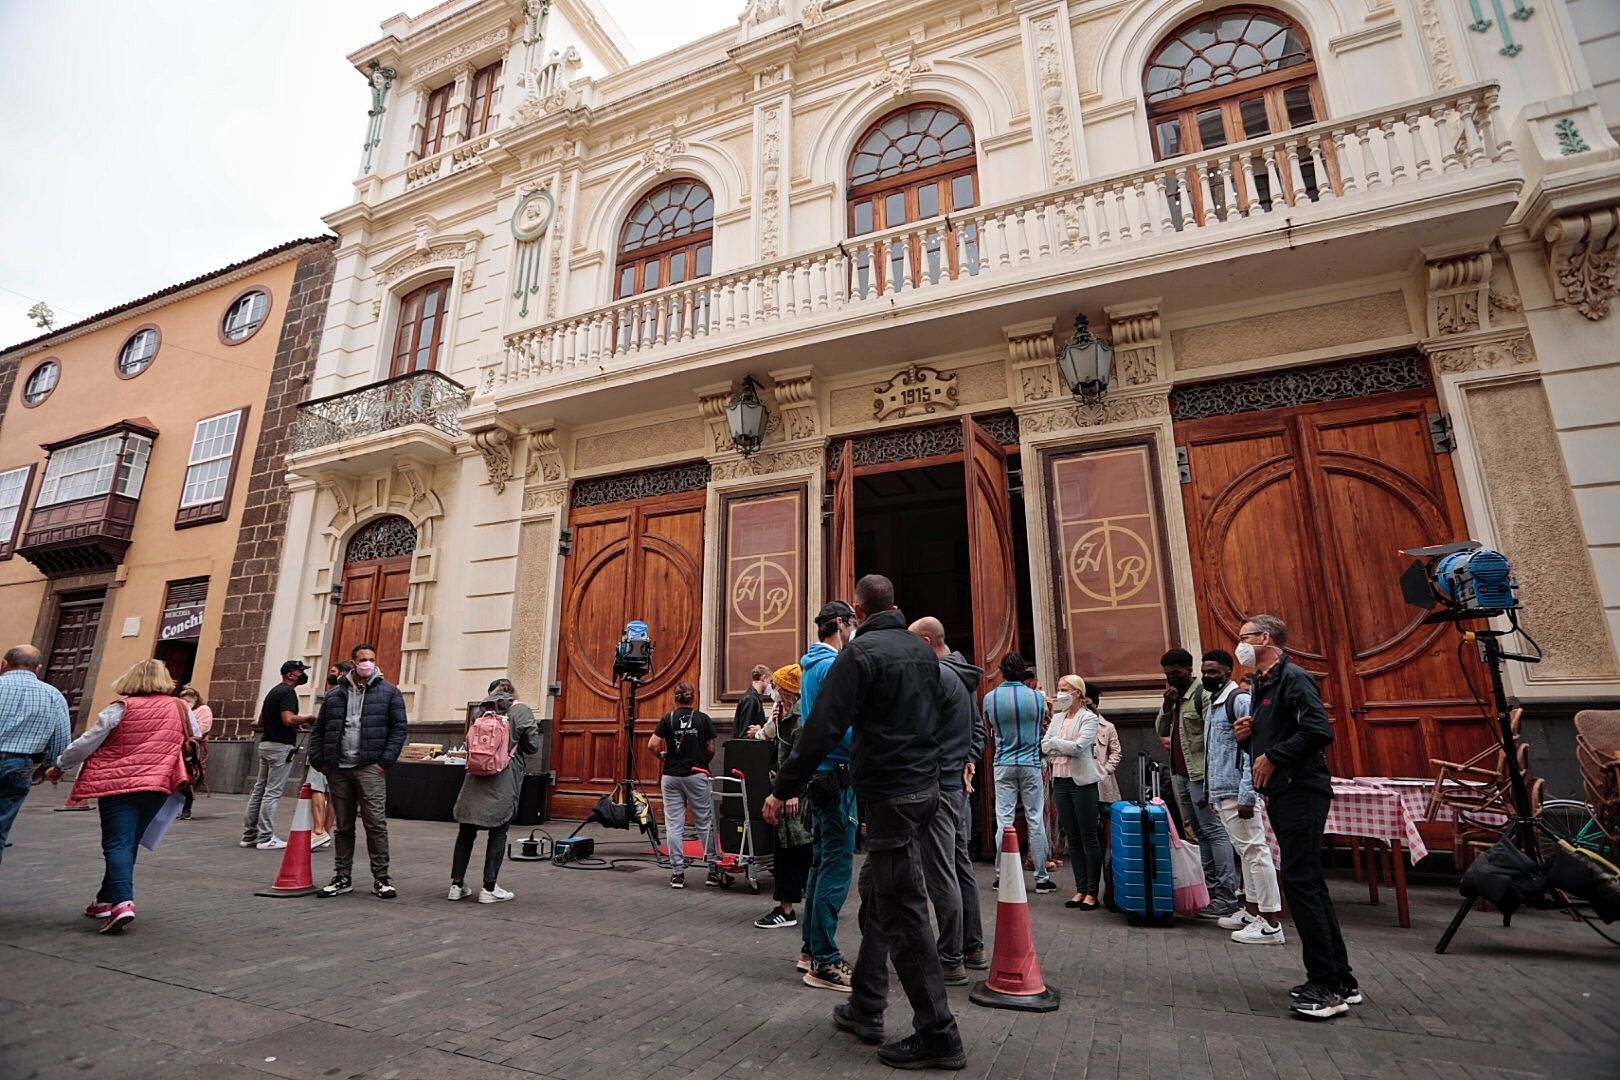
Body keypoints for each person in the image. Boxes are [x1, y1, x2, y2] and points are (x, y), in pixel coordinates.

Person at [765, 574, 965, 1072]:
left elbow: (823, 728)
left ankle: (939, 1034)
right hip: (926, 790)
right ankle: (866, 1004)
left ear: (858, 609)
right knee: (877, 894)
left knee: (904, 912)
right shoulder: (923, 653)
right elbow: (946, 715)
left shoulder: (860, 654)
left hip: (890, 795)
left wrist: (784, 786)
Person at [1233, 615, 1356, 1019]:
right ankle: (1340, 978)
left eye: (1245, 638)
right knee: (1309, 884)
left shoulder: (1294, 677)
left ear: (1266, 638)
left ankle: (1325, 986)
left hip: (1301, 789)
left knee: (1302, 883)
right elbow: (1286, 727)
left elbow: (1318, 730)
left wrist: (1274, 755)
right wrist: (1251, 734)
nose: (1241, 645)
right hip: (1283, 791)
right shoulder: (1262, 684)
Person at [51, 660, 198, 933]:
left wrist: (60, 765)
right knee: (127, 843)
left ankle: (122, 903)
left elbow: (87, 742)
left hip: (117, 784)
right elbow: (195, 736)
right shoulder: (181, 707)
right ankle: (104, 899)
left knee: (117, 843)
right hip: (159, 784)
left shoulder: (120, 708)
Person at [909, 616, 986, 983]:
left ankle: (951, 958)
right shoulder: (964, 677)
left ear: (925, 642)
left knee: (942, 874)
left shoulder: (938, 678)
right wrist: (968, 759)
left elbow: (921, 732)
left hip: (938, 784)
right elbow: (975, 730)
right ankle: (973, 945)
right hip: (956, 782)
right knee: (960, 866)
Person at [309, 643, 409, 899]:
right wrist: (319, 761)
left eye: (371, 659)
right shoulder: (334, 696)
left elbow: (399, 729)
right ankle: (343, 875)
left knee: (375, 824)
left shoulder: (389, 693)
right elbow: (319, 730)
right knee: (343, 826)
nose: (367, 663)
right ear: (353, 663)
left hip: (370, 768)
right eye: (362, 659)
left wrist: (384, 762)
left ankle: (381, 878)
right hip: (338, 768)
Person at [794, 600, 859, 989]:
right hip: (836, 775)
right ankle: (825, 959)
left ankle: (810, 949)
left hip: (819, 775)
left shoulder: (809, 668)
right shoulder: (834, 666)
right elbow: (841, 726)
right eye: (852, 623)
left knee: (820, 864)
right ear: (840, 624)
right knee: (835, 866)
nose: (854, 630)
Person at [1200, 649, 1284, 945]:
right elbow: (1216, 752)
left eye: (1213, 672)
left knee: (1255, 852)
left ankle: (1270, 921)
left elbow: (1253, 752)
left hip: (1239, 791)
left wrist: (1248, 794)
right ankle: (1250, 911)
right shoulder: (1215, 702)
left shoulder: (1240, 700)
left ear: (1227, 671)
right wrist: (1212, 792)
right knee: (1245, 853)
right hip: (1224, 790)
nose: (1207, 676)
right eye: (1205, 671)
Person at [1155, 648, 1240, 918]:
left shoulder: (1202, 694)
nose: (1172, 678)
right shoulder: (1175, 697)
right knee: (1198, 833)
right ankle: (1210, 891)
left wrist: (1209, 782)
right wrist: (1168, 706)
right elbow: (1161, 729)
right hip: (1181, 774)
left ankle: (1227, 896)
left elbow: (1212, 737)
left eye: (1176, 673)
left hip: (1201, 776)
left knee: (1214, 832)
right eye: (1168, 674)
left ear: (1188, 670)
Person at [448, 678, 541, 904]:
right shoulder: (521, 711)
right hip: (503, 777)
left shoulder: (480, 711)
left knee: (466, 832)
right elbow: (533, 746)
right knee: (498, 832)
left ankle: (456, 885)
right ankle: (489, 889)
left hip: (475, 778)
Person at [983, 653, 1056, 894]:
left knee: (1004, 819)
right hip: (1031, 762)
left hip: (1003, 761)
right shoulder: (1037, 698)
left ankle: (1002, 875)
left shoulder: (990, 698)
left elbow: (989, 726)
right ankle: (1042, 877)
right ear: (1024, 671)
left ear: (1002, 671)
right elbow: (1044, 722)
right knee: (1035, 819)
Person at [0, 645, 71, 866]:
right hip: (19, 765)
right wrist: (49, 766)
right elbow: (61, 739)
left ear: (4, 663)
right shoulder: (52, 695)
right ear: (38, 668)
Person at [755, 663, 813, 931]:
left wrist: (792, 793)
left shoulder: (799, 720)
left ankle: (786, 908)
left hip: (792, 796)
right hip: (785, 791)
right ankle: (795, 902)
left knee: (790, 850)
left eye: (777, 687)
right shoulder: (785, 716)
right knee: (792, 849)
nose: (774, 691)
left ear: (788, 691)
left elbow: (801, 759)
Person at [649, 681, 722, 889]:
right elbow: (710, 747)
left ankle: (677, 873)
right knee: (704, 822)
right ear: (694, 698)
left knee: (674, 825)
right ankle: (712, 870)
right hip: (696, 774)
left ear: (675, 698)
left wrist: (662, 756)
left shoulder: (668, 718)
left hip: (671, 776)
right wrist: (702, 762)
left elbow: (652, 744)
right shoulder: (703, 719)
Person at [1043, 674, 1104, 911]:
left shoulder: (1088, 718)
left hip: (1082, 783)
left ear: (1077, 692)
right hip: (1060, 781)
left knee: (1088, 836)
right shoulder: (1057, 718)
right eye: (1058, 688)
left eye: (1064, 689)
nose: (1059, 694)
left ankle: (1092, 891)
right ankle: (1079, 889)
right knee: (1072, 837)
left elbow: (1080, 748)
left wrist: (1055, 743)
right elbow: (1044, 745)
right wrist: (1057, 743)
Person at [241, 660, 315, 850]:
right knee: (272, 793)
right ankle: (265, 838)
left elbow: (261, 721)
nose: (302, 675)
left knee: (259, 790)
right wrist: (308, 718)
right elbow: (288, 719)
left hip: (265, 744)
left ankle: (249, 835)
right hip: (280, 747)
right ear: (290, 674)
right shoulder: (288, 692)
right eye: (300, 672)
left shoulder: (273, 692)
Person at [1088, 685, 1122, 910]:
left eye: (1090, 702)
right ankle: (1089, 889)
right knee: (1089, 840)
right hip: (1084, 789)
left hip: (1106, 789)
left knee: (1110, 843)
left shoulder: (1107, 727)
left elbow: (1116, 752)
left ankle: (1111, 891)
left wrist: (1105, 770)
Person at [175, 686, 212, 820]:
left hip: (193, 747)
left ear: (195, 699)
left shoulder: (203, 710)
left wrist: (188, 733)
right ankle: (176, 808)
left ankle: (186, 808)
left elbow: (202, 728)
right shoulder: (182, 710)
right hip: (180, 746)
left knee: (189, 777)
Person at [735, 664, 771, 739]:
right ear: (764, 678)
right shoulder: (751, 699)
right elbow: (745, 732)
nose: (770, 685)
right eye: (770, 681)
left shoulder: (754, 698)